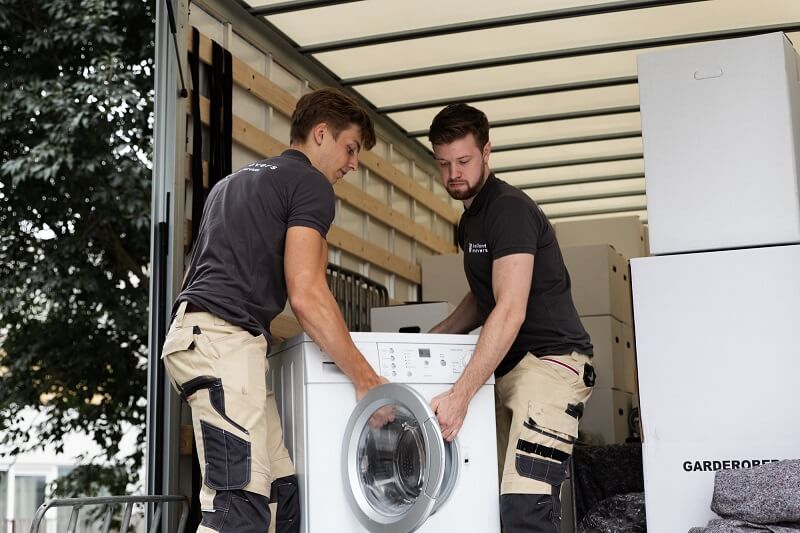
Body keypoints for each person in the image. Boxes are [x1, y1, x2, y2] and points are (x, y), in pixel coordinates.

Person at [159, 87, 388, 533]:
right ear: (321, 134)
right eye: (351, 148)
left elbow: (226, 276)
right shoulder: (311, 185)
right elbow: (307, 292)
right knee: (239, 504)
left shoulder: (235, 182)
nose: (353, 163)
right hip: (223, 347)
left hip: (210, 341)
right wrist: (366, 379)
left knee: (282, 496)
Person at [427, 103, 595, 533]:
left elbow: (510, 307)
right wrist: (437, 336)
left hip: (551, 366)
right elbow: (487, 294)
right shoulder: (471, 220)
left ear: (487, 152)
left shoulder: (509, 209)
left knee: (526, 508)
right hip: (511, 370)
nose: (453, 175)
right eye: (444, 164)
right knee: (490, 502)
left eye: (463, 161)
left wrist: (460, 395)